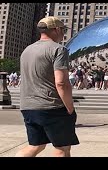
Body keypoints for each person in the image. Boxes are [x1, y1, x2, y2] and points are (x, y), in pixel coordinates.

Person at [16, 17, 79, 157]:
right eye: (63, 30)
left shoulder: (27, 50)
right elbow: (61, 83)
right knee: (62, 149)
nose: (63, 33)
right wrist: (70, 107)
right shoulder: (59, 49)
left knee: (35, 146)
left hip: (28, 106)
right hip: (52, 106)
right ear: (56, 30)